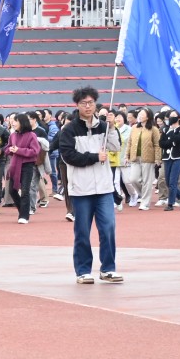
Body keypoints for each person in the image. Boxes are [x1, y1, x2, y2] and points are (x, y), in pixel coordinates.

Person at [55, 86, 124, 285]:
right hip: (81, 189)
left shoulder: (103, 126)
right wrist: (94, 157)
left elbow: (116, 147)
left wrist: (112, 127)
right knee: (83, 231)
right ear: (77, 105)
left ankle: (108, 269)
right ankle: (83, 270)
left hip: (104, 188)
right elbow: (68, 156)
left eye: (91, 102)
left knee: (108, 228)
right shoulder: (69, 130)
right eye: (84, 103)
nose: (88, 106)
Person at [4, 113, 42, 224]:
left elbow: (35, 151)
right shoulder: (13, 135)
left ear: (22, 122)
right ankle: (23, 210)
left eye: (16, 121)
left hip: (27, 165)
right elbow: (7, 148)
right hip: (14, 165)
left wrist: (19, 150)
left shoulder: (31, 135)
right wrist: (10, 150)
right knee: (12, 190)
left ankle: (24, 216)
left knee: (25, 191)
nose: (13, 123)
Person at [124, 109, 160, 210]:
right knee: (133, 179)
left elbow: (157, 145)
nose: (139, 116)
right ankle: (143, 195)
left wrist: (157, 158)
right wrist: (127, 156)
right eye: (139, 114)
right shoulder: (134, 128)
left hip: (148, 158)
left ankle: (145, 203)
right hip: (135, 157)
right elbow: (130, 143)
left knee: (147, 181)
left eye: (142, 114)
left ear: (148, 117)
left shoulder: (153, 129)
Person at [160, 113, 180, 211]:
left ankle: (170, 204)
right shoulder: (165, 129)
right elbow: (162, 143)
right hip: (167, 157)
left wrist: (171, 138)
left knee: (173, 181)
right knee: (168, 182)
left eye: (173, 116)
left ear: (178, 118)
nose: (170, 118)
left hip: (179, 157)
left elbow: (178, 140)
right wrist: (171, 142)